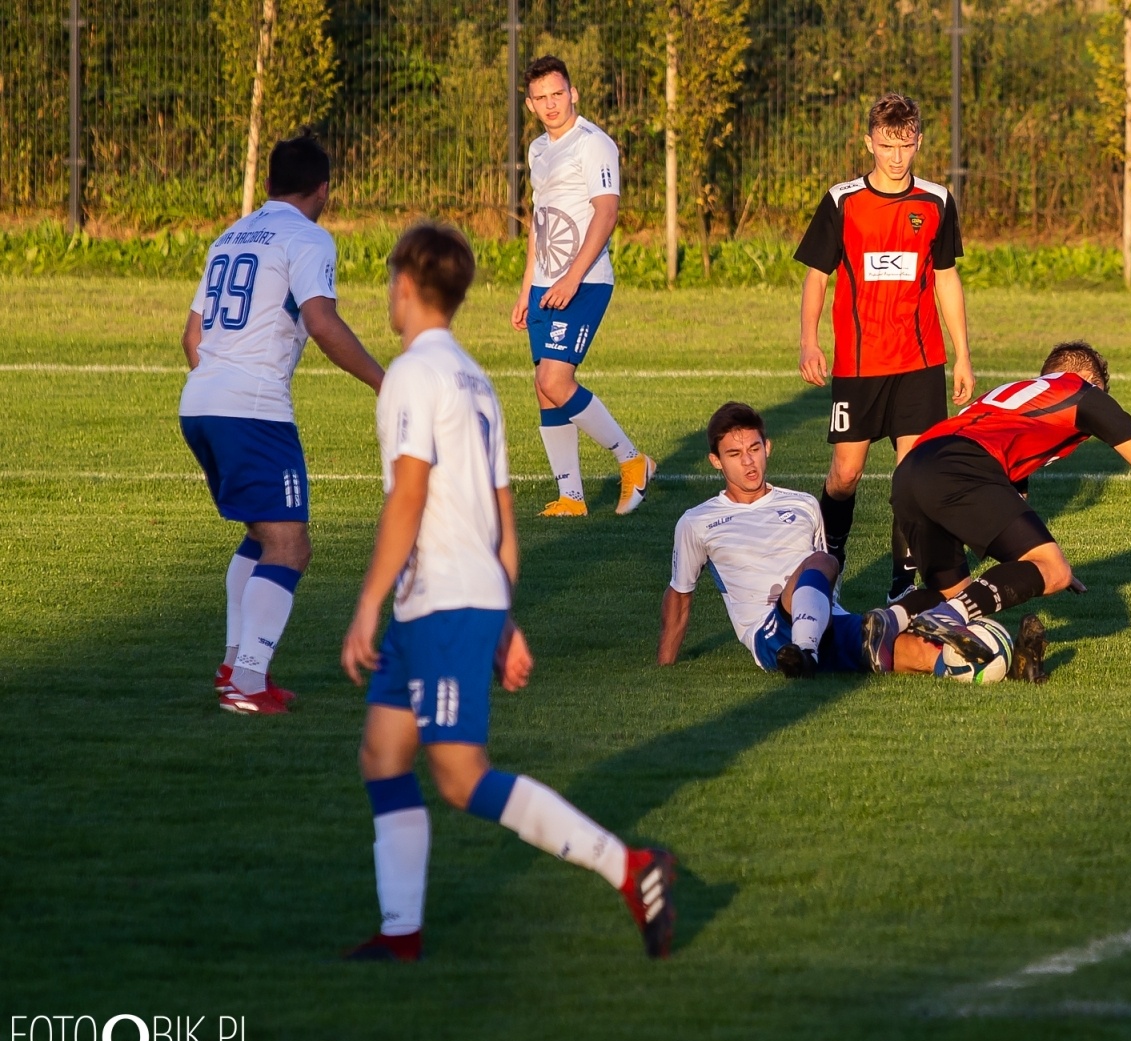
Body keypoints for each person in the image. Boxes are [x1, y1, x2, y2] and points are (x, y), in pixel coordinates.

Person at [341, 223, 675, 962]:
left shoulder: (411, 376)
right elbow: (503, 515)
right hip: (450, 601)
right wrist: (505, 617)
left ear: (404, 285)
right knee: (383, 753)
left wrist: (367, 600)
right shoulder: (475, 378)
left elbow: (408, 496)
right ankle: (401, 934)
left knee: (460, 777)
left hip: (443, 601)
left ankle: (629, 867)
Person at [180, 135, 385, 716]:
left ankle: (234, 666)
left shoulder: (229, 237)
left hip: (200, 403)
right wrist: (382, 380)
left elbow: (191, 337)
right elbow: (321, 321)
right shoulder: (308, 236)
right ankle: (246, 682)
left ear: (269, 184)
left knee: (262, 536)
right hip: (252, 411)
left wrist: (222, 385)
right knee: (291, 546)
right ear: (323, 189)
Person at [888, 341, 1131, 670]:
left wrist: (1036, 569)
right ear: (1093, 383)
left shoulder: (1012, 398)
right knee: (1048, 572)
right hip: (960, 464)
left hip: (912, 468)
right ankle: (944, 619)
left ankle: (889, 621)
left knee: (957, 594)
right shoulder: (1082, 392)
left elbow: (1013, 504)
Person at [658, 402, 1033, 680]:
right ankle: (804, 652)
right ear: (715, 461)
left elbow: (826, 590)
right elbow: (680, 593)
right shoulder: (697, 522)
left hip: (829, 621)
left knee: (920, 642)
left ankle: (1008, 667)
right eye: (734, 454)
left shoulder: (803, 504)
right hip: (772, 634)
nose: (749, 462)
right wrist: (664, 667)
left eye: (754, 449)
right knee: (822, 562)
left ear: (768, 447)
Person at [793, 92, 977, 605]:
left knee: (911, 478)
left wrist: (962, 354)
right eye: (887, 145)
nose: (897, 157)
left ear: (918, 142)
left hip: (919, 362)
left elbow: (946, 278)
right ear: (868, 142)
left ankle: (904, 585)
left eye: (906, 145)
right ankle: (827, 570)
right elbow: (816, 276)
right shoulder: (843, 200)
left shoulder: (936, 201)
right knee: (845, 474)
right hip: (858, 363)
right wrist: (809, 342)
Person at [512, 54, 654, 518]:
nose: (551, 104)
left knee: (556, 379)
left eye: (558, 93)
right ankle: (571, 497)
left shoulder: (593, 144)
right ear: (530, 104)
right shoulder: (538, 149)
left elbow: (607, 212)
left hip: (585, 280)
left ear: (573, 93)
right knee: (543, 385)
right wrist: (526, 285)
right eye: (541, 98)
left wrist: (573, 277)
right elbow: (540, 222)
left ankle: (631, 460)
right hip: (545, 284)